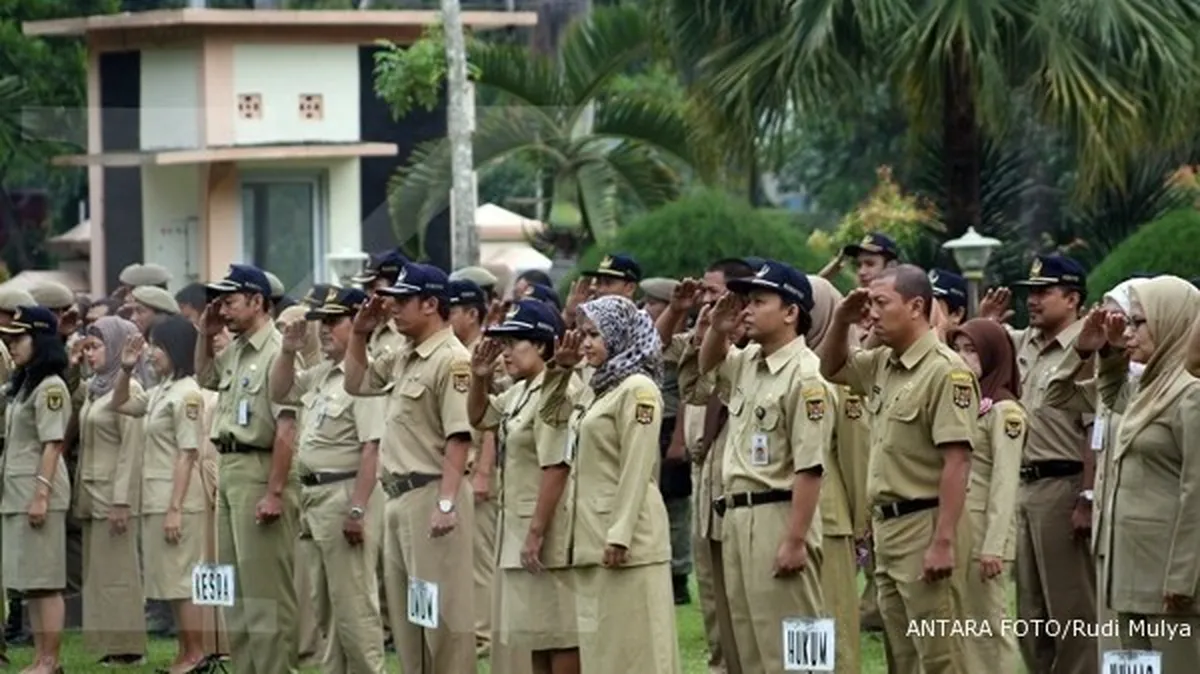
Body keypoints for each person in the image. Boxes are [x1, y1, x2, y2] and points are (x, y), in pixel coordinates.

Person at [820, 264, 978, 674]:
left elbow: (957, 461)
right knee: (902, 659)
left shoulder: (946, 371)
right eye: (869, 303)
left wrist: (943, 541)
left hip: (926, 523)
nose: (871, 312)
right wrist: (840, 319)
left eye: (880, 302)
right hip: (888, 529)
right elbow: (830, 367)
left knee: (941, 657)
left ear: (916, 306)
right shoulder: (883, 364)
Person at [697, 260, 832, 674]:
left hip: (779, 513)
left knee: (800, 650)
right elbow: (709, 367)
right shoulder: (751, 360)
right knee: (752, 644)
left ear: (791, 312)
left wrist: (795, 540)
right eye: (746, 301)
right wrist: (718, 329)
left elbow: (810, 468)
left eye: (759, 301)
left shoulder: (806, 376)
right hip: (738, 517)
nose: (747, 310)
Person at [342, 262, 477, 673]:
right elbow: (356, 383)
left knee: (443, 622)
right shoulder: (405, 356)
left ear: (431, 303)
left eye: (402, 301)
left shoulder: (452, 360)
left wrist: (447, 503)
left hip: (432, 494)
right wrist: (360, 333)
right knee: (409, 621)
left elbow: (459, 436)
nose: (393, 309)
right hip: (400, 497)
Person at [543, 294, 681, 674]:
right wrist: (562, 371)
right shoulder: (597, 386)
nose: (585, 342)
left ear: (620, 336)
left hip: (626, 541)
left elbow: (637, 466)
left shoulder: (638, 389)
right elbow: (552, 417)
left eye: (595, 335)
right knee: (604, 653)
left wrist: (620, 534)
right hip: (589, 537)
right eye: (582, 333)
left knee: (637, 651)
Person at [979, 254, 1098, 674]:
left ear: (1073, 298)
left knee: (1071, 608)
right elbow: (975, 353)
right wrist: (985, 324)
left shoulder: (1090, 348)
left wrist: (1087, 496)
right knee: (1030, 611)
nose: (1033, 300)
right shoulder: (1020, 342)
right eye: (1030, 292)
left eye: (1044, 292)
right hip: (1022, 486)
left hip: (1064, 486)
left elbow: (1094, 433)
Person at [1079, 276, 1200, 669]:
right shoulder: (1149, 384)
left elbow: (1196, 491)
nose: (1129, 332)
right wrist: (1109, 352)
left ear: (1172, 321)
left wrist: (1184, 578)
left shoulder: (1190, 394)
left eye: (1139, 323)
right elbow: (1112, 397)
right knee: (1127, 667)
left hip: (1168, 578)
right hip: (1127, 571)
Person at [270, 287, 387, 674]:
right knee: (325, 608)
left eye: (334, 321)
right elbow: (280, 390)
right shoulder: (321, 375)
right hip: (314, 497)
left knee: (355, 607)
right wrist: (287, 349)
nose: (323, 329)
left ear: (357, 323)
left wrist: (357, 509)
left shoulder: (363, 377)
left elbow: (372, 449)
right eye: (322, 321)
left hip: (344, 494)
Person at [196, 263, 301, 674]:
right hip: (231, 469)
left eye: (231, 301)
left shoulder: (277, 351)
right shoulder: (237, 349)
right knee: (236, 594)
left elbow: (287, 426)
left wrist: (274, 491)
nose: (223, 310)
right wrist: (206, 337)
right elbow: (205, 375)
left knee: (267, 596)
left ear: (258, 302)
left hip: (260, 470)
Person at [467, 299, 580, 674]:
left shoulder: (555, 391)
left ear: (544, 346)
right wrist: (480, 378)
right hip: (520, 526)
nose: (505, 353)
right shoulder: (520, 391)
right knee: (535, 634)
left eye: (516, 343)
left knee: (559, 633)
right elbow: (480, 417)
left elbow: (556, 465)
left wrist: (535, 532)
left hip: (546, 528)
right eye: (504, 343)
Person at [110, 315, 211, 673]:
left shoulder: (187, 394)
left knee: (184, 580)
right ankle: (185, 652)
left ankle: (196, 653)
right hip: (156, 497)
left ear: (177, 350)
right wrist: (125, 369)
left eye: (158, 347)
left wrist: (175, 508)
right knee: (169, 580)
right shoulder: (162, 391)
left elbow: (188, 454)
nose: (151, 353)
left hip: (177, 499)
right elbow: (119, 404)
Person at [672, 257, 753, 674]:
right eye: (702, 292)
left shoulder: (757, 358)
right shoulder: (709, 344)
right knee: (713, 594)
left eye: (713, 292)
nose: (706, 300)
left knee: (752, 606)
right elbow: (690, 383)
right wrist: (702, 329)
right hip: (706, 480)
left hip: (750, 495)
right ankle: (722, 663)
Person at [945, 318, 1025, 672]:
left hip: (985, 536)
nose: (962, 358)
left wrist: (993, 545)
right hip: (963, 530)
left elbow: (1006, 483)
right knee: (963, 626)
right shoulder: (969, 404)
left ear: (993, 355)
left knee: (989, 627)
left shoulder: (1005, 412)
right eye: (957, 349)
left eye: (971, 350)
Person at [0, 305, 73, 674]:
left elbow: (53, 444)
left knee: (46, 581)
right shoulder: (24, 383)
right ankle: (40, 657)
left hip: (37, 492)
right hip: (16, 493)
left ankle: (51, 659)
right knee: (31, 582)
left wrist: (41, 494)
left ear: (40, 339)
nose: (11, 345)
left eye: (18, 338)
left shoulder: (51, 386)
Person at [805, 274, 868, 674]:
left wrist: (861, 523)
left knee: (832, 625)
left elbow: (855, 455)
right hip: (793, 517)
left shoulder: (842, 377)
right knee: (804, 629)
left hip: (830, 520)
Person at [76, 316, 148, 665]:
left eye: (96, 346)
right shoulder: (95, 387)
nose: (90, 354)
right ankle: (109, 642)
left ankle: (128, 646)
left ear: (117, 347)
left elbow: (131, 449)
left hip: (112, 495)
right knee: (101, 572)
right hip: (92, 492)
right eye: (87, 347)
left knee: (119, 571)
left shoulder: (128, 389)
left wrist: (122, 500)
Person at [447, 278, 507, 657]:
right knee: (461, 558)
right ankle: (471, 629)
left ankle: (484, 634)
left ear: (472, 313)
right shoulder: (459, 352)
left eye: (453, 309)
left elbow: (493, 420)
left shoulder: (490, 354)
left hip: (477, 468)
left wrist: (485, 470)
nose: (447, 315)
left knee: (480, 559)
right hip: (457, 468)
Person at [640, 277, 694, 605]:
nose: (647, 308)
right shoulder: (653, 340)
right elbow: (655, 343)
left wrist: (679, 439)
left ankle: (679, 576)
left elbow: (689, 392)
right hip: (651, 426)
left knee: (676, 507)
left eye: (654, 303)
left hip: (672, 426)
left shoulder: (687, 342)